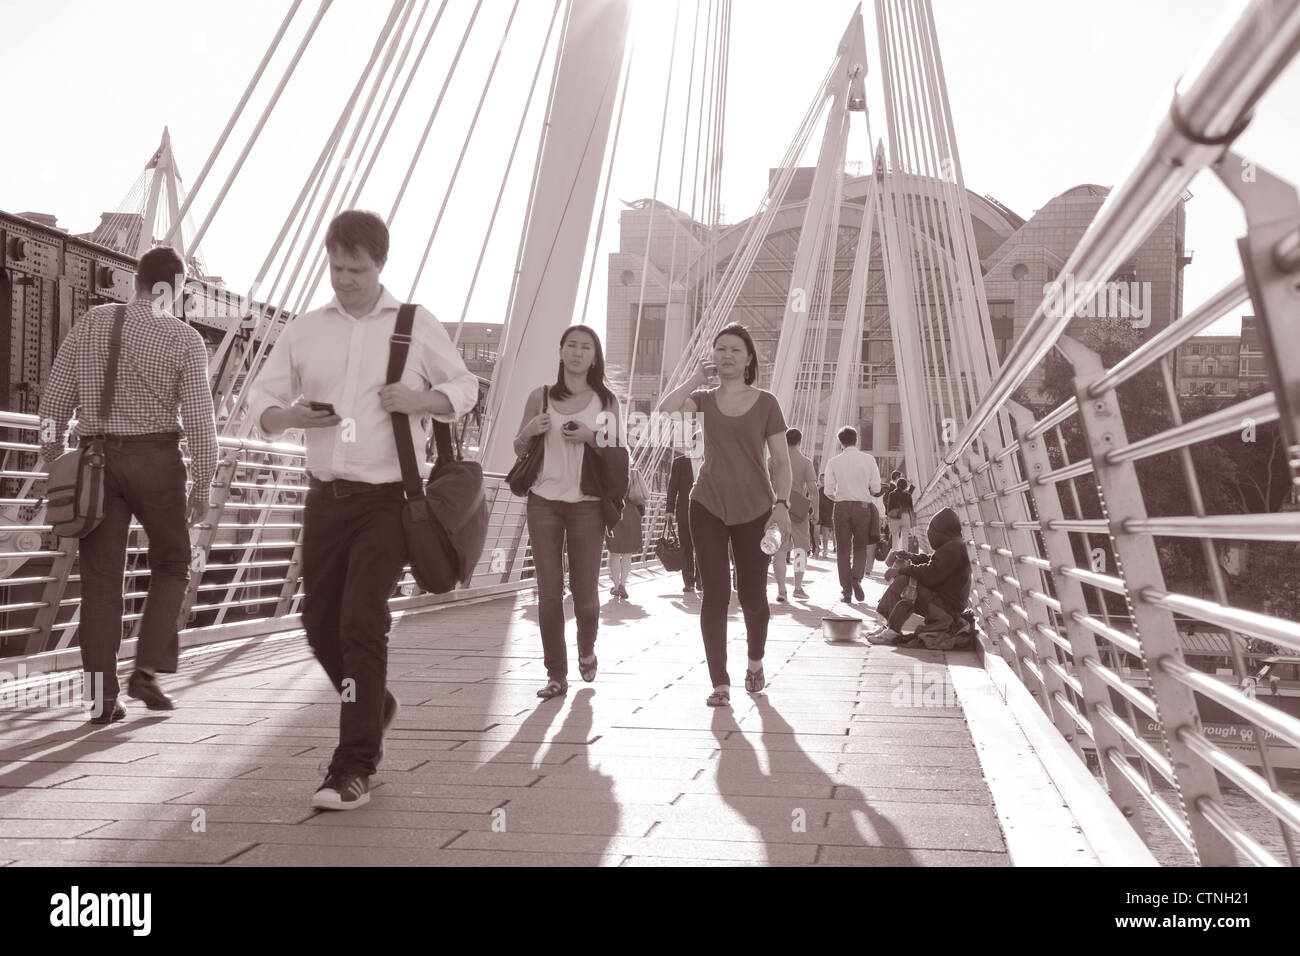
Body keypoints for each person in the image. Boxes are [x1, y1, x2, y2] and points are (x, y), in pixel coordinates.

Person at [248, 210, 479, 810]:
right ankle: (374, 706)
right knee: (318, 621)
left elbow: (465, 387)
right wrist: (294, 416)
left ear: (380, 265)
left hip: (387, 501)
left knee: (360, 621)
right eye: (336, 266)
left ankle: (353, 766)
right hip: (324, 498)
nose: (345, 278)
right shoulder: (304, 330)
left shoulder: (413, 324)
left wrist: (420, 397)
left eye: (358, 268)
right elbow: (263, 404)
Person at [38, 246, 218, 725]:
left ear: (134, 281)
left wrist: (56, 462)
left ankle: (101, 699)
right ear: (176, 289)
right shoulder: (184, 337)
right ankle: (148, 670)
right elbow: (201, 422)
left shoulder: (93, 323)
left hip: (96, 464)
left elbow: (52, 405)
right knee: (173, 562)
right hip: (158, 462)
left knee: (99, 584)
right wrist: (202, 485)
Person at [658, 323, 792, 707]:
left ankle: (755, 661)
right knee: (714, 592)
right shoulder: (703, 398)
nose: (726, 356)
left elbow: (781, 462)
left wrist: (781, 504)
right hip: (708, 504)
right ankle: (720, 682)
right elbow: (667, 408)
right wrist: (694, 378)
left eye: (735, 350)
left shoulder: (767, 403)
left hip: (755, 509)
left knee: (752, 596)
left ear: (749, 358)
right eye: (720, 349)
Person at [513, 324, 620, 700]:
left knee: (586, 595)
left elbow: (616, 451)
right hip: (543, 501)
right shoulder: (539, 396)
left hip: (587, 506)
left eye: (585, 347)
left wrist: (592, 437)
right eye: (571, 345)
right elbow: (518, 447)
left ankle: (586, 649)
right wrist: (530, 428)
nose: (577, 352)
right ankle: (556, 674)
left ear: (594, 357)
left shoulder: (605, 400)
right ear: (561, 352)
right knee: (549, 591)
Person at [868, 507, 973, 649]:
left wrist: (900, 570)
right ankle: (889, 627)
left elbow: (931, 574)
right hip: (948, 604)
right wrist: (912, 557)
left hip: (946, 608)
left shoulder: (953, 548)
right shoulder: (955, 544)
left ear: (940, 531)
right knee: (906, 579)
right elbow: (935, 561)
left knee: (905, 582)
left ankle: (892, 631)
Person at [825, 425, 882, 604]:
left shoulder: (834, 461)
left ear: (841, 442)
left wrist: (840, 497)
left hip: (841, 506)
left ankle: (846, 591)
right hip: (862, 507)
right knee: (860, 546)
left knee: (842, 550)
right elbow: (876, 488)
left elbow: (827, 490)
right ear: (856, 440)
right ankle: (856, 578)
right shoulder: (869, 459)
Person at [770, 428, 817, 602]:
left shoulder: (772, 461)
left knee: (780, 551)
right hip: (799, 511)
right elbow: (813, 490)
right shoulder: (806, 462)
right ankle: (797, 586)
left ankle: (782, 589)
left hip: (777, 508)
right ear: (799, 441)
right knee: (800, 550)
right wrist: (816, 512)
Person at [606, 466, 645, 602]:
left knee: (614, 553)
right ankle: (623, 584)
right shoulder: (635, 473)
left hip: (615, 515)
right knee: (627, 554)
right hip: (632, 516)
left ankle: (616, 586)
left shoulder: (610, 472)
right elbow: (644, 495)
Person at [666, 444, 701, 593]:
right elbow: (672, 488)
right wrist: (669, 511)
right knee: (686, 547)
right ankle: (689, 582)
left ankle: (701, 580)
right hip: (683, 513)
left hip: (705, 513)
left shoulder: (711, 460)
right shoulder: (679, 462)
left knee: (702, 548)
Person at [888, 475, 916, 551]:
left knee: (895, 540)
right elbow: (911, 509)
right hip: (905, 517)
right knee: (905, 540)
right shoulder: (908, 495)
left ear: (897, 485)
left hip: (895, 517)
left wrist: (889, 520)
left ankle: (894, 558)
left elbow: (889, 508)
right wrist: (913, 525)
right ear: (905, 486)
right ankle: (904, 558)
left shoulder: (892, 494)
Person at [816, 473, 835, 557]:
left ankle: (825, 550)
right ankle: (817, 548)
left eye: (824, 479)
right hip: (818, 512)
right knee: (815, 532)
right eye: (821, 479)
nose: (823, 481)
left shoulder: (830, 490)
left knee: (825, 533)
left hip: (827, 513)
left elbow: (835, 499)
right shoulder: (818, 489)